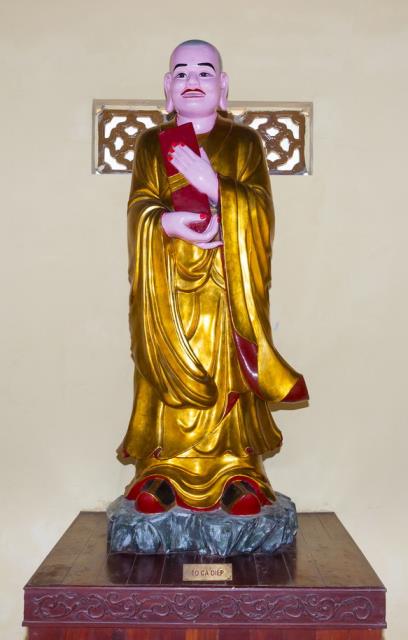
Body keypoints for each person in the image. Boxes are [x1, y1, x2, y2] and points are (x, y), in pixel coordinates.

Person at [118, 39, 308, 516]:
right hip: (169, 288)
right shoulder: (151, 144)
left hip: (227, 285)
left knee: (229, 370)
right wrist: (164, 222)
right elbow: (139, 207)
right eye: (181, 73)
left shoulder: (244, 142)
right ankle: (161, 469)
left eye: (204, 72)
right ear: (168, 86)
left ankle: (237, 469)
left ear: (223, 86)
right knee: (166, 366)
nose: (192, 81)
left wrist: (214, 186)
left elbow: (261, 211)